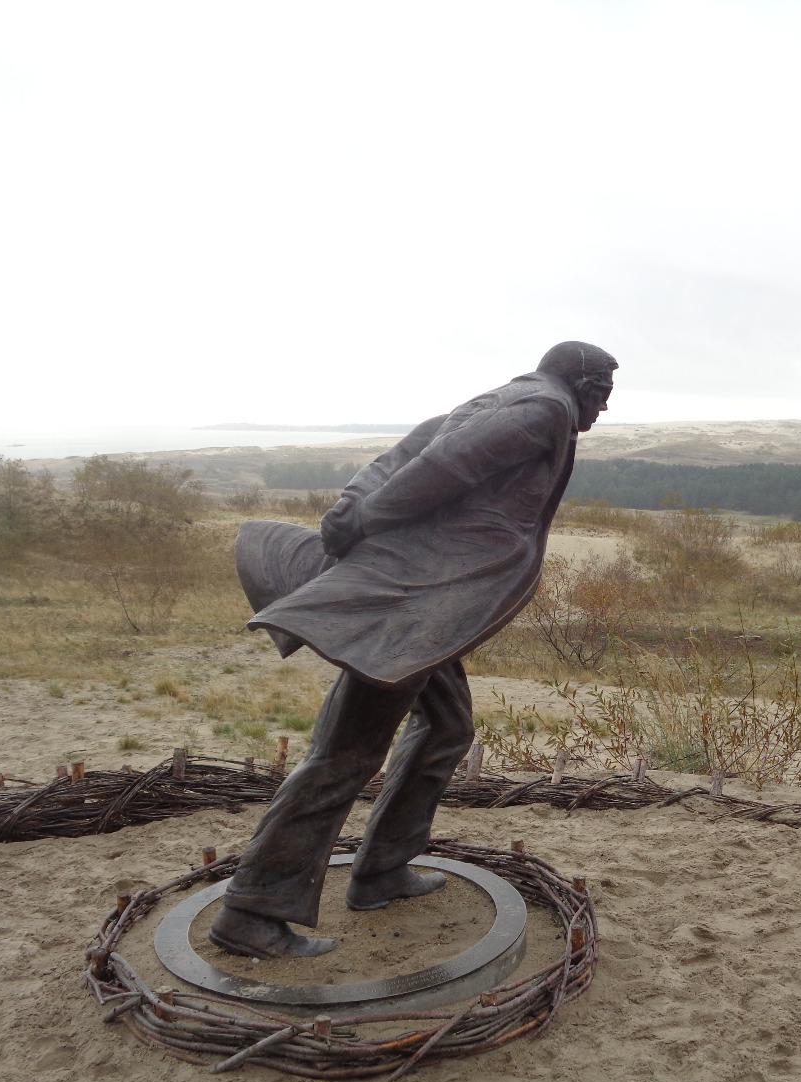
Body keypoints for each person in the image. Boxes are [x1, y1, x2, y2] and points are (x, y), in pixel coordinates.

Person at [208, 341, 617, 958]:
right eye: (604, 395)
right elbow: (442, 464)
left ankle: (382, 870)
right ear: (582, 383)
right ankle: (252, 909)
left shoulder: (502, 397)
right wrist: (366, 515)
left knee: (447, 728)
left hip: (435, 608)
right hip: (406, 606)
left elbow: (408, 447)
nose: (604, 409)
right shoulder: (544, 410)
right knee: (346, 753)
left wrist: (353, 501)